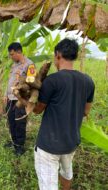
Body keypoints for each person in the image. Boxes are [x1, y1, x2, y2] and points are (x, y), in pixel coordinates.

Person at [33, 38, 95, 190]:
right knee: (67, 173)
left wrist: (27, 99)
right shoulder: (88, 81)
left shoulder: (52, 81)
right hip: (71, 142)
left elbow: (37, 110)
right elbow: (86, 111)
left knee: (48, 184)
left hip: (49, 145)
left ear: (58, 55)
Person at [4, 42, 36, 156]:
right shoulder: (14, 65)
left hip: (20, 99)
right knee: (11, 121)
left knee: (19, 122)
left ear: (19, 52)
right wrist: (5, 95)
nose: (11, 57)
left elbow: (32, 83)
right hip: (10, 98)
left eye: (12, 54)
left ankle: (20, 146)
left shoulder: (29, 65)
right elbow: (10, 81)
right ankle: (14, 142)